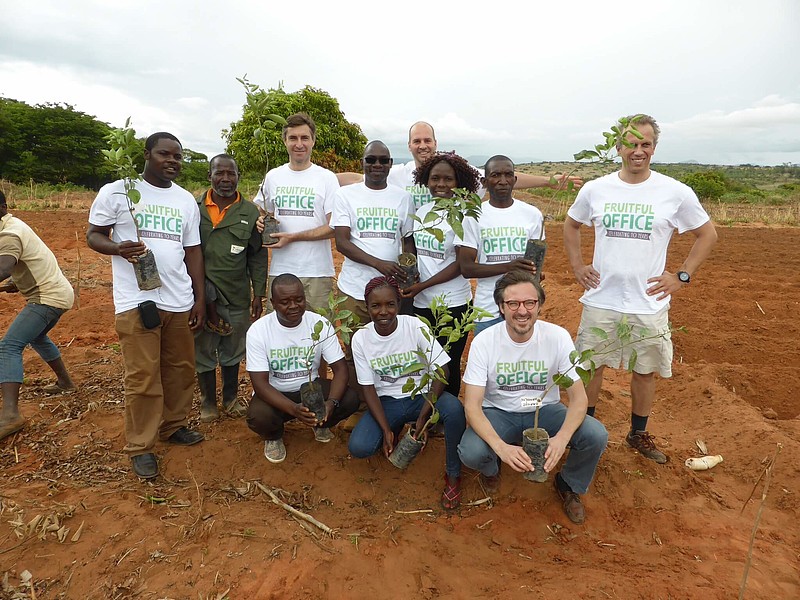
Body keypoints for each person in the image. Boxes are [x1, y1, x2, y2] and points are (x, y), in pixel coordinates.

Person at [564, 114, 717, 464]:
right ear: (618, 147)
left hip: (648, 302)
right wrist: (577, 266)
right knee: (591, 365)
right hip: (602, 297)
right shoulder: (596, 188)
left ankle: (638, 432)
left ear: (654, 148)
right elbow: (571, 226)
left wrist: (681, 277)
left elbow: (707, 235)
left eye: (645, 144)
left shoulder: (675, 192)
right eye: (631, 144)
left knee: (645, 370)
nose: (638, 151)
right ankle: (586, 431)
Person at [87, 132, 206, 480]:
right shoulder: (118, 190)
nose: (172, 161)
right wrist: (117, 248)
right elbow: (94, 235)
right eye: (164, 154)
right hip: (137, 300)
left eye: (178, 157)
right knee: (142, 377)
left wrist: (199, 299)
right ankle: (140, 445)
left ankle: (173, 427)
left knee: (181, 370)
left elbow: (193, 252)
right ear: (146, 154)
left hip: (179, 299)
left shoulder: (186, 200)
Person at [458, 270, 608, 524]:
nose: (522, 311)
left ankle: (569, 484)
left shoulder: (557, 337)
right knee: (471, 452)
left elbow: (579, 399)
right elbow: (472, 407)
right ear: (500, 307)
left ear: (539, 306)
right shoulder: (485, 342)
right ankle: (493, 469)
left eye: (530, 303)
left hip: (546, 411)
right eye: (513, 303)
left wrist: (561, 439)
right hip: (499, 413)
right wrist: (500, 448)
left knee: (596, 435)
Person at [348, 277, 467, 510]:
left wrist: (423, 418)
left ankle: (453, 474)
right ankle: (393, 430)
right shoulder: (361, 338)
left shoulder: (415, 327)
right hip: (387, 401)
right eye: (376, 306)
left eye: (390, 304)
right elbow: (369, 388)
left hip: (420, 396)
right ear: (367, 306)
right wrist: (385, 430)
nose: (384, 312)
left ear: (399, 304)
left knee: (454, 410)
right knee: (359, 447)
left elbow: (442, 367)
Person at [246, 274, 359, 463]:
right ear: (273, 303)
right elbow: (260, 384)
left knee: (349, 399)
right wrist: (293, 409)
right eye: (285, 302)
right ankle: (274, 436)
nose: (293, 306)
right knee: (259, 417)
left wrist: (331, 403)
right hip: (276, 393)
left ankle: (321, 423)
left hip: (310, 389)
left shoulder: (319, 324)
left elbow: (340, 369)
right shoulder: (259, 331)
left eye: (299, 300)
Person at [338, 121, 582, 207]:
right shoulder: (399, 174)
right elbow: (358, 179)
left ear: (435, 143)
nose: (422, 145)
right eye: (417, 141)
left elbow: (497, 177)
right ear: (409, 146)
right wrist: (320, 177)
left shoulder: (455, 174)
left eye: (427, 140)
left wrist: (549, 181)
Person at [401, 151, 481, 397]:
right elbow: (413, 246)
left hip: (452, 303)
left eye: (448, 179)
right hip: (422, 302)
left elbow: (461, 265)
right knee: (425, 359)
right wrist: (410, 271)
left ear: (459, 182)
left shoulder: (464, 215)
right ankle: (425, 412)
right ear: (426, 180)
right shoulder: (424, 211)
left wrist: (422, 286)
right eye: (435, 178)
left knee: (448, 362)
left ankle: (447, 416)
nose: (441, 185)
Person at [195, 154, 267, 422]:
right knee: (202, 349)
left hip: (236, 294)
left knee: (233, 349)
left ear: (238, 176)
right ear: (209, 176)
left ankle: (230, 399)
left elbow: (257, 256)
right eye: (219, 173)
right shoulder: (194, 208)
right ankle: (208, 403)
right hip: (201, 296)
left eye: (231, 174)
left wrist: (258, 293)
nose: (225, 179)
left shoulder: (250, 213)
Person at [0, 191, 76, 440]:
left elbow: (3, 267)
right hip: (56, 293)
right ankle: (65, 382)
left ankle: (10, 415)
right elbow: (21, 266)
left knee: (9, 346)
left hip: (48, 297)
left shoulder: (9, 233)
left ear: (3, 207)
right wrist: (15, 282)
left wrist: (8, 276)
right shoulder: (13, 226)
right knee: (38, 337)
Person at [252, 113, 340, 312]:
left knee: (318, 331)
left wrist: (293, 237)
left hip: (317, 272)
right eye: (293, 138)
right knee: (278, 332)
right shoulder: (273, 176)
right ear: (285, 141)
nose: (299, 144)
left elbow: (334, 226)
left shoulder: (326, 178)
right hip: (280, 271)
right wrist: (260, 221)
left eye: (304, 138)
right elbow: (263, 210)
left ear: (313, 141)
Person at [456, 155, 545, 335]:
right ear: (485, 181)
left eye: (508, 175)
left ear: (515, 179)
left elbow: (535, 262)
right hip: (487, 310)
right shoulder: (473, 216)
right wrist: (509, 266)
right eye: (496, 175)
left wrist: (535, 275)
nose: (502, 181)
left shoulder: (532, 214)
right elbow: (466, 268)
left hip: (521, 309)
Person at [331, 140, 415, 328]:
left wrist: (408, 273)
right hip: (354, 289)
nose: (377, 165)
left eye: (383, 160)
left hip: (390, 293)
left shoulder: (403, 198)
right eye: (371, 160)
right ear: (362, 162)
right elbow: (342, 243)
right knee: (355, 345)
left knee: (390, 347)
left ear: (390, 164)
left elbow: (408, 241)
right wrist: (378, 264)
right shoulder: (345, 195)